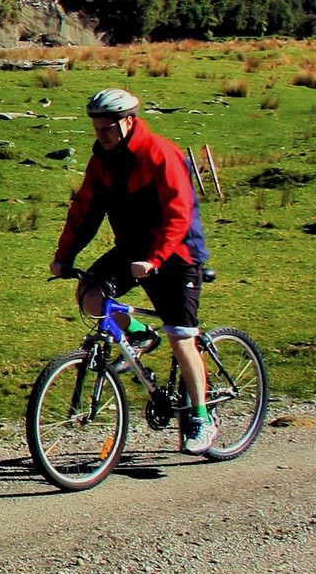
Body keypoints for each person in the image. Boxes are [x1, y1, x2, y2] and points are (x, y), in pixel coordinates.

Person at [50, 87, 214, 452]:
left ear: (127, 122)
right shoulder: (102, 162)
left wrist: (155, 260)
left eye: (106, 129)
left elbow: (178, 214)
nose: (100, 136)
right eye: (96, 129)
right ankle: (139, 334)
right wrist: (65, 256)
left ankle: (201, 418)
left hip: (178, 252)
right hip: (132, 251)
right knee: (91, 297)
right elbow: (84, 212)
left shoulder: (160, 155)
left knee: (181, 334)